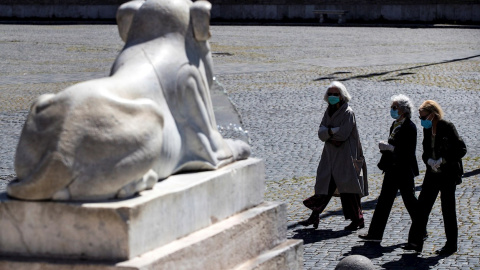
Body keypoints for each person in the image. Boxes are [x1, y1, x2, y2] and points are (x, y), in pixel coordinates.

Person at [299, 81, 368, 231]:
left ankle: (358, 219)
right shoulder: (328, 111)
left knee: (349, 190)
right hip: (330, 156)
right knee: (324, 185)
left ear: (342, 96)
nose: (332, 96)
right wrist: (332, 131)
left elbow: (342, 135)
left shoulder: (348, 112)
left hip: (346, 157)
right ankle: (314, 215)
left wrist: (328, 132)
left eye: (335, 94)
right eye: (330, 94)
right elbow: (320, 133)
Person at [403, 100, 467, 255]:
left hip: (448, 174)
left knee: (448, 209)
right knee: (422, 207)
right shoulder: (427, 129)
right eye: (420, 118)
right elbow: (425, 151)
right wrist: (429, 161)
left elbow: (461, 149)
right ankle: (415, 242)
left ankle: (451, 245)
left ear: (433, 114)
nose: (422, 120)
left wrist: (442, 161)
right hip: (432, 174)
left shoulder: (447, 127)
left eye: (423, 117)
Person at [359, 94, 419, 242]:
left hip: (404, 170)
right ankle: (375, 234)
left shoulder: (410, 127)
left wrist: (391, 148)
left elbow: (408, 152)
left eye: (395, 107)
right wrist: (386, 148)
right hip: (392, 169)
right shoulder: (395, 124)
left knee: (410, 201)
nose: (392, 110)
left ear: (403, 110)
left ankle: (421, 229)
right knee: (383, 201)